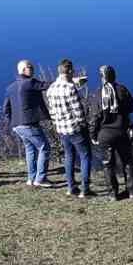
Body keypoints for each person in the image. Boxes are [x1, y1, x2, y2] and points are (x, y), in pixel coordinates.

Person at [45, 59, 93, 198]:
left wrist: (57, 124)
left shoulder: (51, 88)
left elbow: (52, 112)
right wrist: (83, 125)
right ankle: (85, 189)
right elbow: (78, 111)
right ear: (70, 71)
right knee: (85, 156)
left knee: (69, 156)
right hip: (75, 129)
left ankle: (71, 187)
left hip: (61, 129)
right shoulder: (70, 88)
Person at [93, 65, 133, 201]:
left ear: (102, 78)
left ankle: (113, 194)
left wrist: (93, 135)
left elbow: (95, 117)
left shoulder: (99, 93)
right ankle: (131, 192)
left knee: (108, 164)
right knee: (127, 162)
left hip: (105, 134)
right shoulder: (122, 89)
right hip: (122, 132)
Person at [3, 60, 53, 187]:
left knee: (30, 150)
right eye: (30, 67)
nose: (33, 69)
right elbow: (47, 85)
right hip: (29, 123)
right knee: (44, 147)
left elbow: (6, 109)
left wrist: (12, 123)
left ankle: (31, 178)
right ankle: (40, 179)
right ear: (23, 69)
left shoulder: (10, 87)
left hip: (17, 125)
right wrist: (67, 81)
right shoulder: (29, 82)